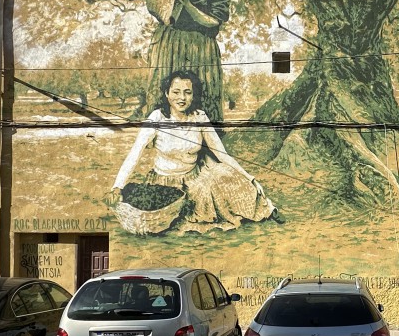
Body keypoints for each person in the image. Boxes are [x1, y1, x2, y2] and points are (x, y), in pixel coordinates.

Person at [106, 70, 283, 232]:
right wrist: (117, 186)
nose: (181, 98)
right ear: (167, 93)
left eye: (187, 92)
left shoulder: (199, 116)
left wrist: (249, 177)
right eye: (176, 92)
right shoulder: (157, 118)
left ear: (193, 95)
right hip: (166, 183)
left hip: (195, 176)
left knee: (226, 173)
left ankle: (266, 209)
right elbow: (134, 154)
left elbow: (221, 154)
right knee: (189, 205)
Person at [126, 0, 230, 123]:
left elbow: (214, 21)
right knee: (163, 91)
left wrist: (189, 6)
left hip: (202, 47)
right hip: (169, 44)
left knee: (202, 94)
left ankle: (206, 137)